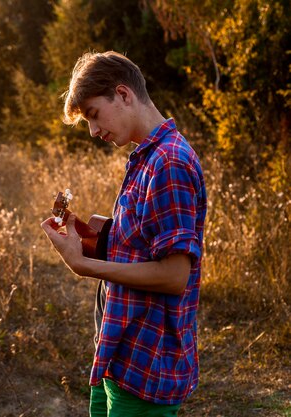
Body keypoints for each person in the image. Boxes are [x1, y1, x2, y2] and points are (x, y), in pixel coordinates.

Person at [41, 51, 207, 416]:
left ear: (123, 94)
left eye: (94, 115)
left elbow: (173, 276)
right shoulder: (146, 158)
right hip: (118, 352)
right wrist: (85, 236)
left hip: (146, 366)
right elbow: (138, 247)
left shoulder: (169, 163)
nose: (93, 131)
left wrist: (83, 265)